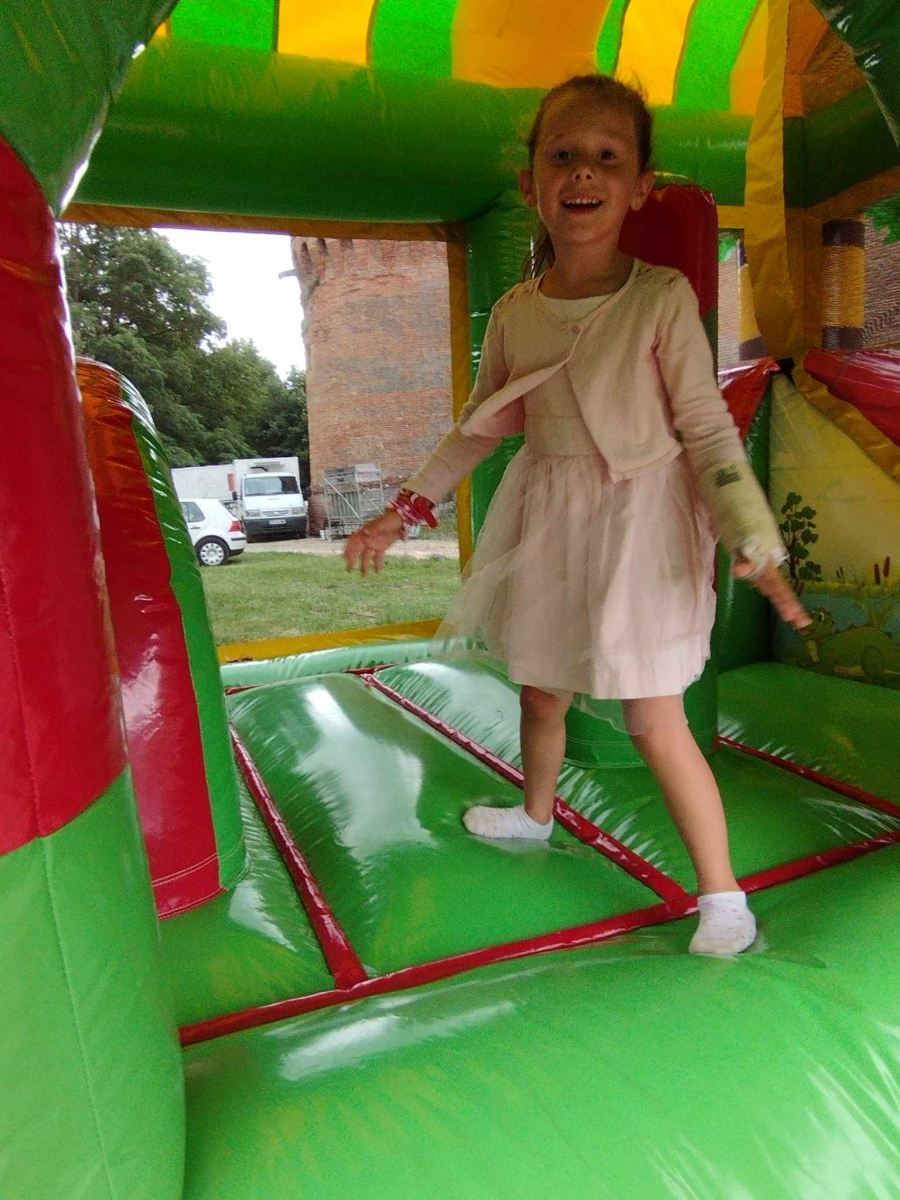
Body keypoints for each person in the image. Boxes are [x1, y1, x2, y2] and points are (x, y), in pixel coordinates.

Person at [344, 74, 810, 956]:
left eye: (607, 157)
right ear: (532, 184)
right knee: (542, 688)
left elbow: (706, 426)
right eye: (563, 155)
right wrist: (401, 511)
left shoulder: (660, 297)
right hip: (552, 517)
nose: (583, 172)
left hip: (642, 526)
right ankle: (535, 812)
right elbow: (478, 427)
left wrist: (749, 530)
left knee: (653, 716)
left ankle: (722, 896)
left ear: (639, 186)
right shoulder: (516, 313)